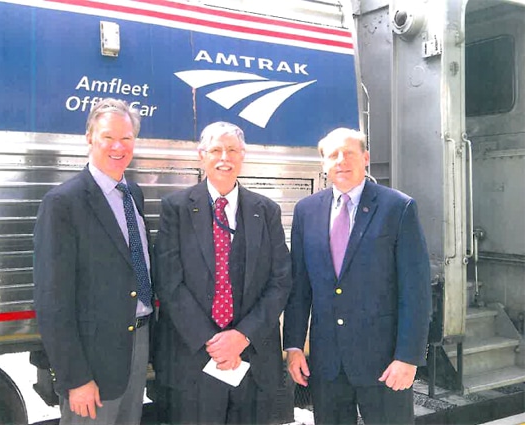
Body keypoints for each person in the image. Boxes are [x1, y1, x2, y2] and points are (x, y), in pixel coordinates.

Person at [283, 128, 431, 425]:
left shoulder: (397, 208)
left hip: (385, 362)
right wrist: (294, 346)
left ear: (366, 158)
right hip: (328, 364)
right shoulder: (306, 211)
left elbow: (415, 291)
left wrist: (408, 357)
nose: (341, 161)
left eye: (349, 153)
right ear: (323, 164)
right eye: (333, 155)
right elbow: (299, 288)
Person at [153, 121, 292, 424]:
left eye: (232, 150)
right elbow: (168, 282)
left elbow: (280, 281)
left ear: (243, 155)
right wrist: (215, 343)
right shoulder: (175, 208)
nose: (224, 158)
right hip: (194, 361)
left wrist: (241, 337)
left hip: (252, 361)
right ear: (201, 155)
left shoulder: (266, 211)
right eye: (216, 150)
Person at [33, 98, 153, 425]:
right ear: (90, 137)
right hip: (92, 361)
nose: (118, 146)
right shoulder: (63, 203)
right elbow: (52, 302)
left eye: (126, 139)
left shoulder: (134, 195)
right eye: (108, 137)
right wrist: (74, 378)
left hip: (136, 341)